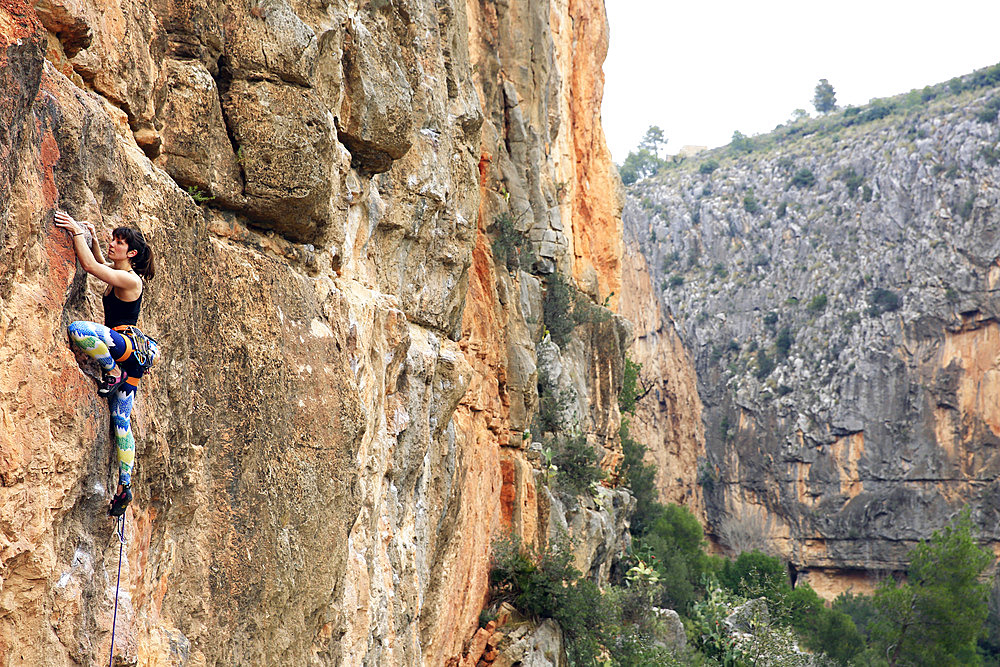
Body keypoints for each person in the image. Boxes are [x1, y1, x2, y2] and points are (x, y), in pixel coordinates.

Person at [54, 210, 158, 517]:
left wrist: (75, 232)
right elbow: (101, 263)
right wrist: (95, 240)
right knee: (121, 420)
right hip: (131, 359)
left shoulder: (130, 279)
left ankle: (110, 370)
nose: (113, 245)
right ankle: (125, 484)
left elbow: (90, 266)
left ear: (132, 253)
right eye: (112, 240)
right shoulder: (121, 272)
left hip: (123, 349)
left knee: (78, 330)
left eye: (118, 242)